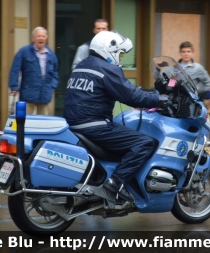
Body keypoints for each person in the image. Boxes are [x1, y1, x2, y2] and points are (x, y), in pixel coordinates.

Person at [63, 30, 170, 203]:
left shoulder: (82, 65)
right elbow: (132, 96)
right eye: (119, 53)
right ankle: (115, 184)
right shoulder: (107, 68)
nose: (119, 58)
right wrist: (160, 99)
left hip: (74, 124)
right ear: (108, 49)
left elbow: (125, 91)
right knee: (144, 143)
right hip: (95, 125)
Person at [9, 26, 59, 115]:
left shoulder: (51, 54)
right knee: (25, 122)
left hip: (45, 94)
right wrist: (14, 87)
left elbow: (55, 72)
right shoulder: (24, 51)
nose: (41, 38)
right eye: (39, 36)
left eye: (43, 36)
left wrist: (52, 86)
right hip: (28, 93)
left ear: (46, 39)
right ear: (33, 38)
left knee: (43, 124)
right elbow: (15, 69)